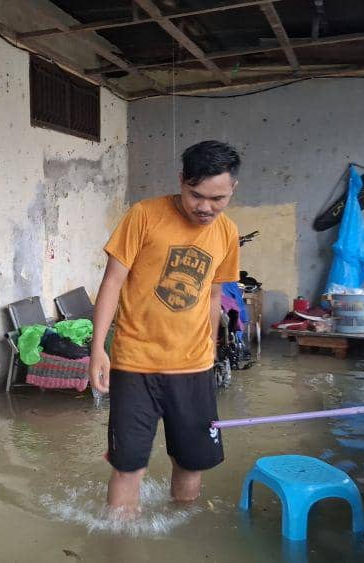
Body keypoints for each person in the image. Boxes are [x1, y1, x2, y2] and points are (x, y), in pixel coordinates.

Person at [88, 140, 242, 517]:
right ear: (181, 181)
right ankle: (120, 546)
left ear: (232, 189)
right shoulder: (143, 215)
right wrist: (97, 348)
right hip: (136, 364)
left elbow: (213, 294)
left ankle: (181, 535)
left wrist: (209, 348)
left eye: (217, 198)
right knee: (128, 465)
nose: (205, 207)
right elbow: (112, 282)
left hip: (193, 368)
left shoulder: (227, 232)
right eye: (196, 195)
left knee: (191, 462)